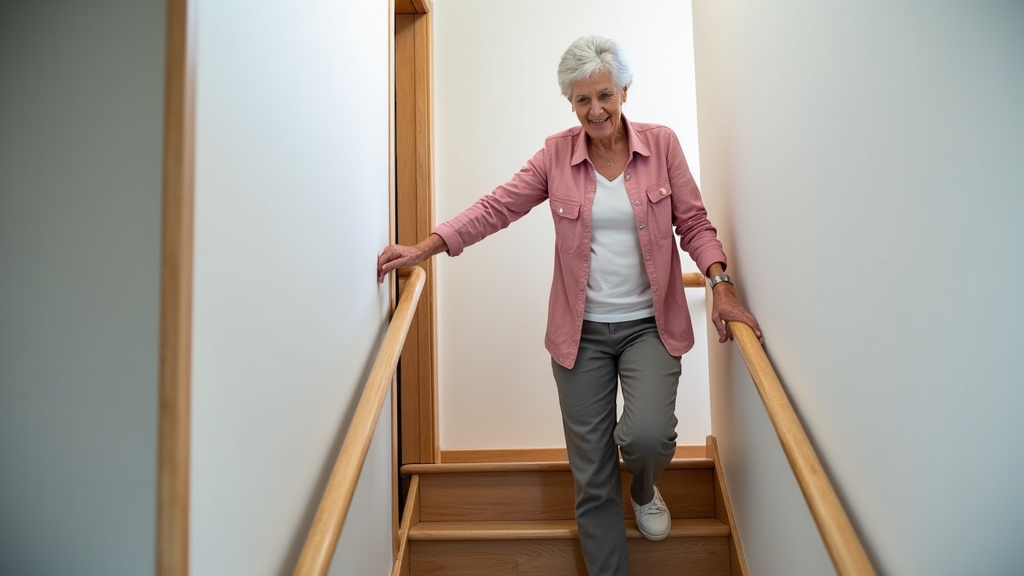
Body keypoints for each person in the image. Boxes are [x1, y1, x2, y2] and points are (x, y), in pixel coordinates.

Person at [377, 35, 761, 576]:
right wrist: (425, 246)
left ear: (625, 90)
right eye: (582, 100)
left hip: (649, 325)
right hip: (579, 335)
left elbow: (693, 223)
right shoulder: (557, 154)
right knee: (592, 473)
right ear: (570, 103)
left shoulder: (662, 144)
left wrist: (720, 284)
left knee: (646, 436)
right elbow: (497, 207)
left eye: (604, 95)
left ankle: (646, 488)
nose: (595, 109)